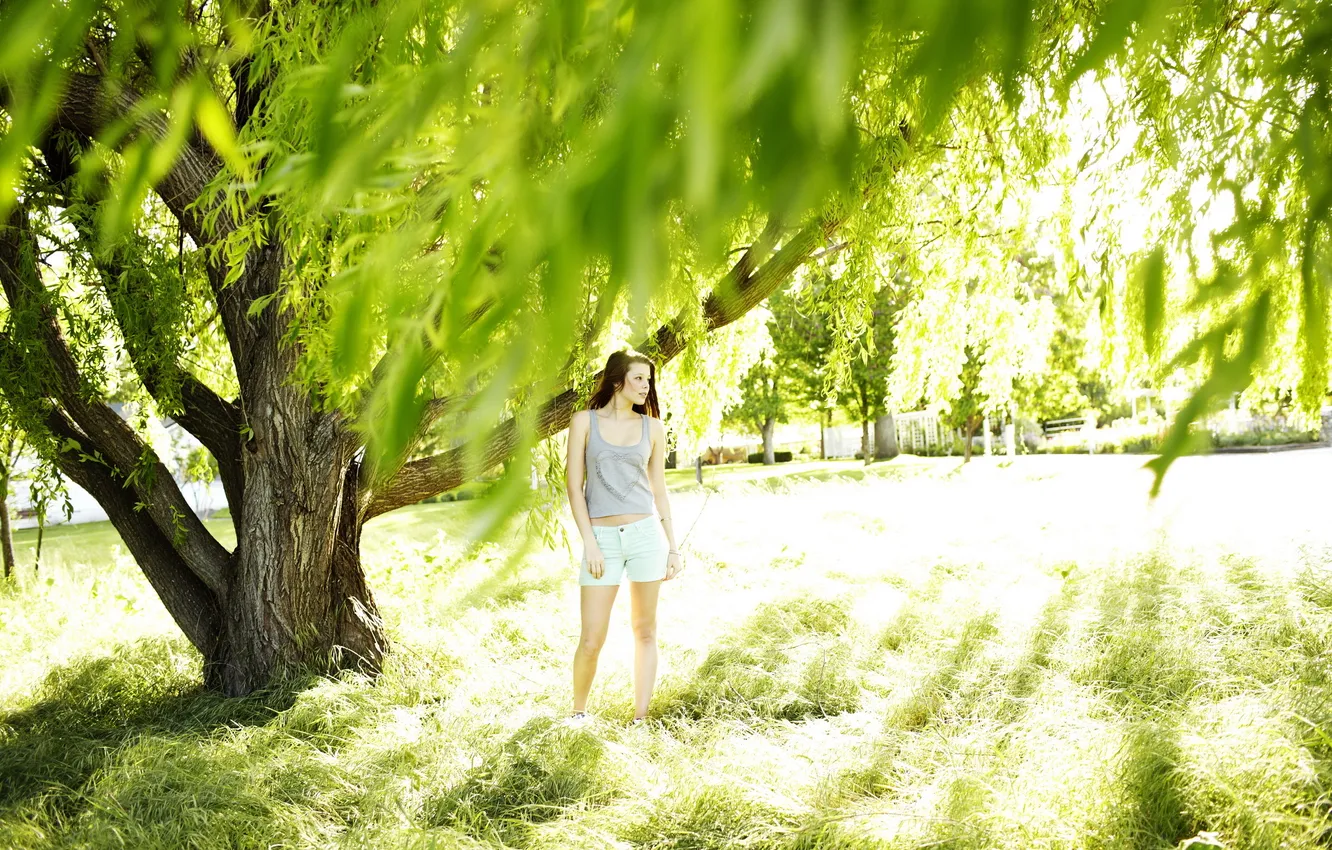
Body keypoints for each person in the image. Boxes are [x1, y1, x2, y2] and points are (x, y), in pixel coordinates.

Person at [565, 349, 684, 724]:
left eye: (648, 380)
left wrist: (673, 547)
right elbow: (573, 488)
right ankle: (578, 714)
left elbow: (659, 489)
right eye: (638, 378)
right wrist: (590, 542)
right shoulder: (584, 422)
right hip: (601, 539)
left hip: (645, 535)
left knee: (645, 630)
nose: (646, 386)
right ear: (617, 380)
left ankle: (640, 718)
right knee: (591, 639)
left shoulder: (652, 428)